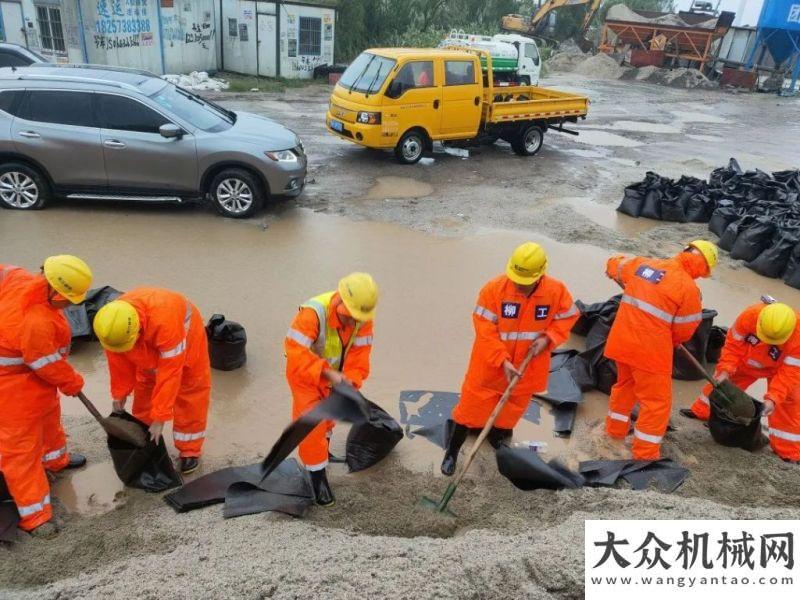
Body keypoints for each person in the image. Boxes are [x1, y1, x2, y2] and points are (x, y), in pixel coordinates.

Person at [441, 242, 579, 476]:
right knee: (468, 412)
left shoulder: (556, 292)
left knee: (510, 413)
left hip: (527, 369)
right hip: (490, 368)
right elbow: (484, 330)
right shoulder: (493, 290)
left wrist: (548, 339)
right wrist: (501, 360)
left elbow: (568, 316)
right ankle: (452, 452)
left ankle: (497, 437)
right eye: (517, 281)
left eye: (525, 283)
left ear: (540, 275)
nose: (520, 286)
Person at [0, 255, 93, 538]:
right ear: (53, 288)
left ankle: (56, 461)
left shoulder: (22, 279)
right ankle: (36, 516)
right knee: (21, 448)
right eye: (68, 298)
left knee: (49, 416)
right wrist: (72, 382)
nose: (71, 304)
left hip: (32, 375)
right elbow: (45, 362)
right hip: (10, 385)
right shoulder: (35, 322)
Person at [604, 240, 718, 460]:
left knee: (624, 386)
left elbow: (616, 263)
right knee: (656, 403)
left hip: (621, 342)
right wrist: (666, 339)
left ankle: (614, 432)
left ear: (684, 251)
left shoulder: (645, 264)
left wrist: (611, 268)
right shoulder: (689, 290)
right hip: (650, 354)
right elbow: (683, 333)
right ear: (703, 269)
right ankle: (645, 453)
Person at [93, 287, 211, 475]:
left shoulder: (165, 322)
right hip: (147, 336)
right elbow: (117, 359)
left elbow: (170, 372)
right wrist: (120, 392)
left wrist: (160, 416)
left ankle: (190, 449)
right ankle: (143, 437)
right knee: (146, 384)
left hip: (186, 337)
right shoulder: (112, 326)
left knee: (190, 389)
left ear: (137, 332)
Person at [284, 272, 378, 506]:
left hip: (334, 378)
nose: (354, 322)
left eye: (358, 318)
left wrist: (350, 383)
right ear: (340, 301)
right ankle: (317, 477)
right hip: (305, 375)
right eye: (350, 317)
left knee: (328, 420)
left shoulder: (362, 317)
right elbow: (295, 355)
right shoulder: (312, 314)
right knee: (311, 426)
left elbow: (359, 357)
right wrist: (327, 372)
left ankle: (323, 453)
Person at [681, 300, 800, 463]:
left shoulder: (798, 336)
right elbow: (732, 346)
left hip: (779, 368)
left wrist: (773, 399)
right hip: (749, 360)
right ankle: (702, 411)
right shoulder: (750, 316)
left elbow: (789, 373)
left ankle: (787, 451)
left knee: (789, 401)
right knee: (726, 384)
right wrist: (725, 370)